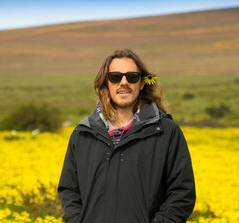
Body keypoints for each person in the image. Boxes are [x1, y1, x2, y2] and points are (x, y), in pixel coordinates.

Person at [58, 49, 196, 223]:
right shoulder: (83, 134)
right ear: (106, 82)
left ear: (142, 83)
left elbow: (182, 194)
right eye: (115, 77)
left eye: (132, 76)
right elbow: (69, 191)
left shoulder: (166, 132)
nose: (123, 82)